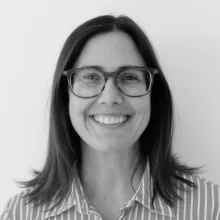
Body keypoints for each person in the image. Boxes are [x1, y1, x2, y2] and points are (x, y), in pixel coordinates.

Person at [1, 14, 219, 220]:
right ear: (65, 97)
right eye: (90, 76)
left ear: (153, 96)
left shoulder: (211, 207)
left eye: (130, 76)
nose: (110, 97)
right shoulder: (20, 213)